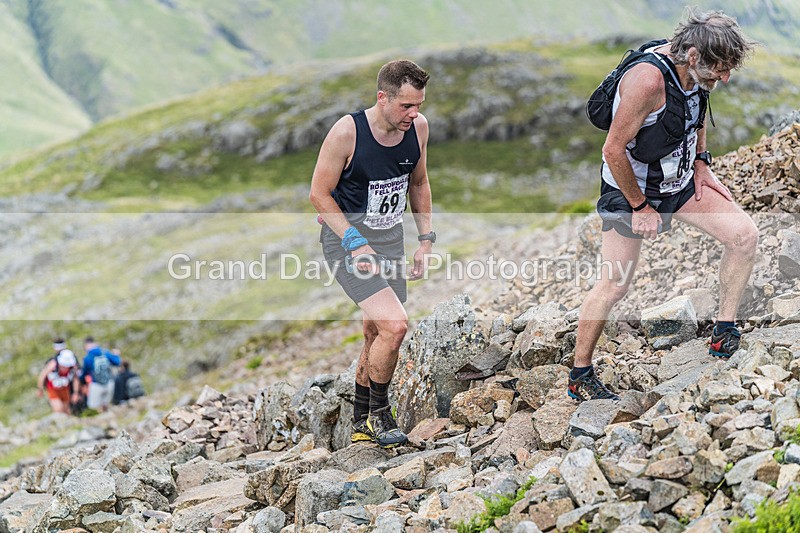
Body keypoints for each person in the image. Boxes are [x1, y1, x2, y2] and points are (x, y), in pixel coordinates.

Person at [569, 10, 758, 401]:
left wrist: (702, 163)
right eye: (719, 69)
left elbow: (698, 109)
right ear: (691, 55)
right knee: (614, 284)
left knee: (744, 236)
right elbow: (613, 149)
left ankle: (724, 332)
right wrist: (639, 207)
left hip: (680, 181)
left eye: (727, 70)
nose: (724, 78)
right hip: (630, 188)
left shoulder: (700, 71)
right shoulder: (647, 81)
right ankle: (580, 374)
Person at [309, 59, 434, 448]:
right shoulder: (347, 133)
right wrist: (353, 241)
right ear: (383, 98)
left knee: (374, 331)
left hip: (389, 241)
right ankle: (381, 416)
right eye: (406, 106)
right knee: (395, 326)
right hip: (347, 243)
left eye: (418, 105)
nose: (413, 115)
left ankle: (361, 421)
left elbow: (419, 181)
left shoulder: (419, 128)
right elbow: (318, 194)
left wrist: (426, 240)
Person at [81, 337, 122, 412]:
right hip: (109, 383)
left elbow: (84, 374)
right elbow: (117, 362)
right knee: (106, 406)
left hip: (96, 384)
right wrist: (116, 355)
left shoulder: (88, 358)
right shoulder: (105, 352)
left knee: (93, 409)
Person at [37, 349, 81, 415]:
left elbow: (75, 380)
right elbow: (43, 375)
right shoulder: (53, 364)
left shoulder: (72, 368)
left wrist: (76, 393)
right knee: (58, 408)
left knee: (67, 410)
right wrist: (40, 389)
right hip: (52, 389)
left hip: (65, 389)